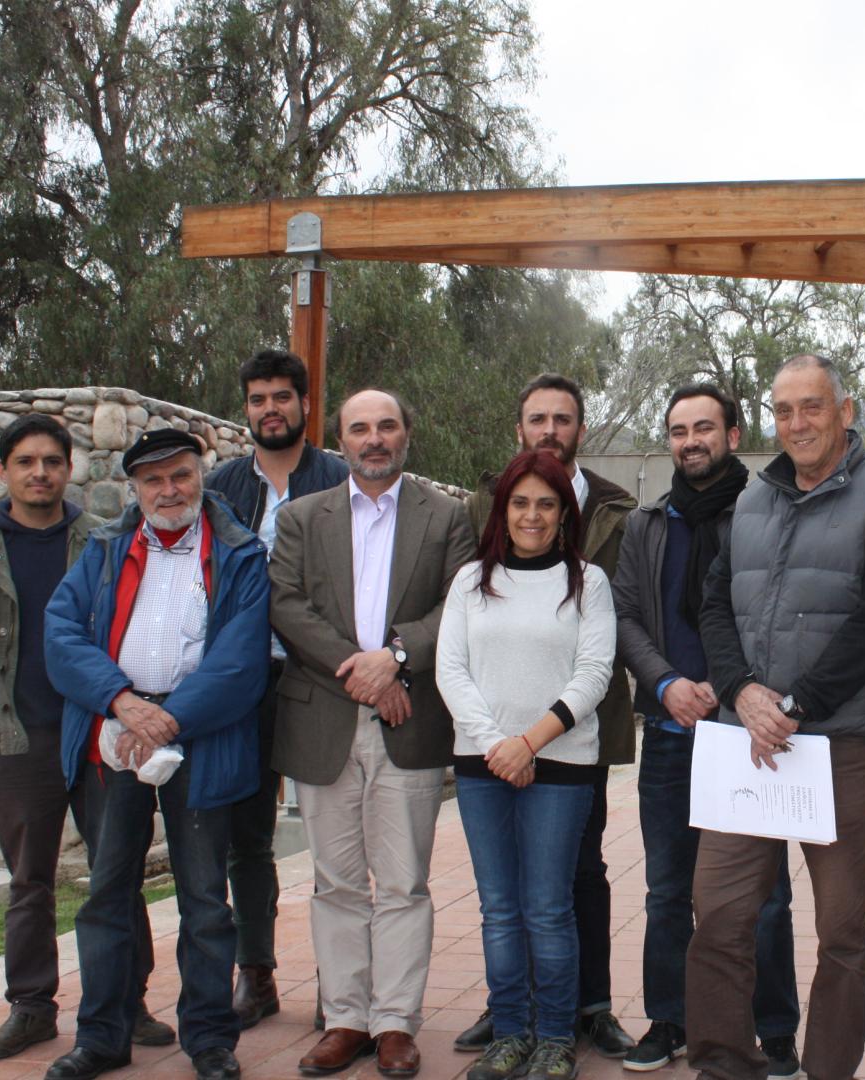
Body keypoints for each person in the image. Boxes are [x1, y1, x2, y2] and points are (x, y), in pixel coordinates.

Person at [689, 353, 865, 1080]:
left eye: (813, 407)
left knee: (841, 932)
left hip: (841, 746)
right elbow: (713, 607)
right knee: (719, 914)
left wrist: (792, 705)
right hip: (747, 742)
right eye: (784, 410)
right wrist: (742, 692)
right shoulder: (749, 501)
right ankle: (725, 1062)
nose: (798, 423)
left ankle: (828, 1070)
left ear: (845, 411)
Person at [0, 414, 173, 1060]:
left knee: (115, 873)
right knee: (30, 881)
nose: (40, 473)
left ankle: (129, 1001)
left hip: (97, 734)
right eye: (27, 462)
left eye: (52, 462)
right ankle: (32, 1007)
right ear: (3, 470)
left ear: (71, 469)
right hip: (16, 740)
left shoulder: (103, 542)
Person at [43, 429, 269, 1080]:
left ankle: (209, 1040)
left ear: (200, 476)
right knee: (108, 893)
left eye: (180, 475)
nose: (168, 490)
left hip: (198, 733)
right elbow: (61, 635)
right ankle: (103, 1037)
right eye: (153, 480)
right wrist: (121, 702)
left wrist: (166, 717)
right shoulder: (106, 547)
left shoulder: (238, 552)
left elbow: (242, 659)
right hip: (116, 732)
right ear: (135, 488)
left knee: (203, 897)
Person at [267, 387, 475, 1078]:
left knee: (405, 883)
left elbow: (460, 602)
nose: (375, 438)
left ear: (407, 433)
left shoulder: (446, 517)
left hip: (408, 720)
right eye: (360, 428)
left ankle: (395, 1023)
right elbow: (287, 605)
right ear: (342, 440)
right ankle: (346, 1019)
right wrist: (360, 671)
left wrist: (398, 660)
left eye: (388, 425)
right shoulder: (301, 518)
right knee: (336, 884)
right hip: (324, 718)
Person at [610, 384, 801, 1075]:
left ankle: (774, 1026)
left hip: (745, 733)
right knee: (667, 889)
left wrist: (730, 690)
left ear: (732, 432)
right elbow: (626, 616)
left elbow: (782, 618)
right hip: (668, 732)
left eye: (703, 428)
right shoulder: (647, 524)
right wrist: (663, 683)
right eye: (678, 430)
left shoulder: (769, 513)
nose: (690, 441)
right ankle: (670, 1020)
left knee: (767, 894)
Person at [459, 373, 638, 1057]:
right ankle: (513, 1012)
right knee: (507, 885)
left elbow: (629, 619)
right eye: (538, 418)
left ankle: (587, 1005)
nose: (550, 430)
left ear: (581, 430)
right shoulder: (485, 504)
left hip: (578, 729)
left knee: (578, 871)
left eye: (563, 419)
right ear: (520, 429)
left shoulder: (620, 510)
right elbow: (465, 616)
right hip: (495, 732)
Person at [438, 449, 617, 1080]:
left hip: (561, 766)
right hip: (483, 765)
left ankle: (554, 1038)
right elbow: (450, 670)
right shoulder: (469, 581)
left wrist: (529, 742)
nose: (532, 515)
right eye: (520, 503)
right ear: (501, 510)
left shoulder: (587, 582)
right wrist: (497, 745)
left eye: (546, 503)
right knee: (498, 907)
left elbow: (594, 674)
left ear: (563, 512)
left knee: (547, 905)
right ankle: (509, 1032)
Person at [206, 348, 350, 1028]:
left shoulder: (340, 480)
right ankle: (255, 974)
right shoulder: (221, 486)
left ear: (303, 405)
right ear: (247, 409)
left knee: (333, 837)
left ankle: (340, 985)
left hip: (320, 679)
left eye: (281, 397)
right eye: (258, 398)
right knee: (247, 837)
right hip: (242, 681)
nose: (270, 409)